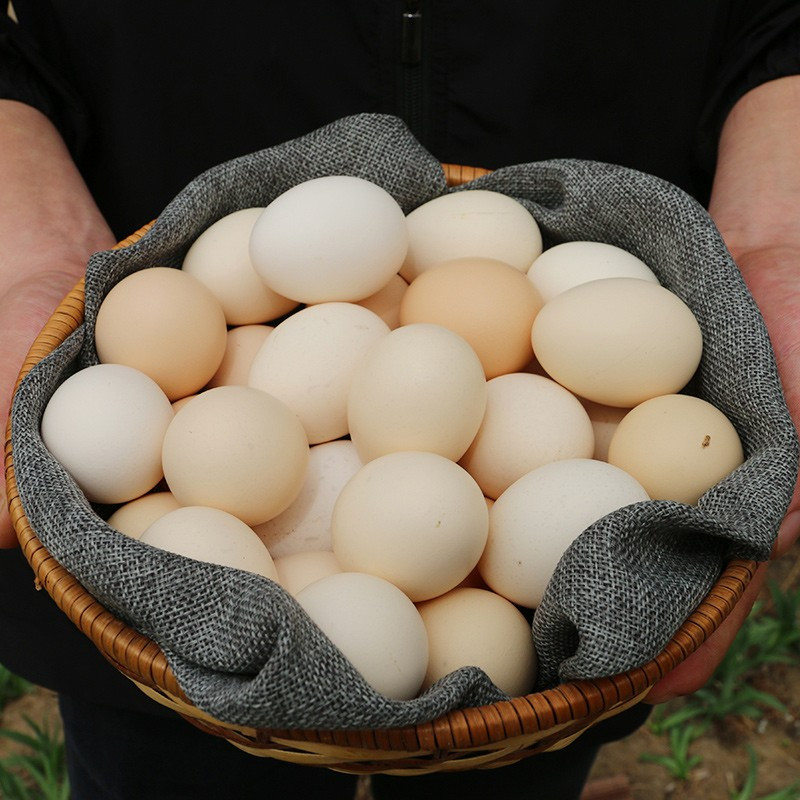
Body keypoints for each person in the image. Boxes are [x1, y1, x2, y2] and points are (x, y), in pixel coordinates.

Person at [1, 3, 799, 798]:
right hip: (144, 130)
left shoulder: (466, 343)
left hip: (607, 105)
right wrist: (23, 227)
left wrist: (778, 226)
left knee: (511, 753)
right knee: (170, 766)